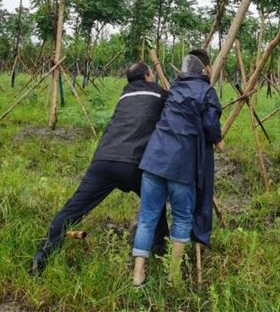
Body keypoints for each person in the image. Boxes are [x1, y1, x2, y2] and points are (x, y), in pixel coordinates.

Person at [30, 62, 170, 275]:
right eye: (152, 73)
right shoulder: (159, 94)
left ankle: (43, 254)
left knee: (74, 209)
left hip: (103, 160)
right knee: (155, 203)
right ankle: (161, 250)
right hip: (135, 163)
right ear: (147, 76)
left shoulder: (124, 95)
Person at [131, 49, 224, 287]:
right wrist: (218, 139)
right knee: (182, 217)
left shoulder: (174, 89)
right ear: (206, 69)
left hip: (154, 159)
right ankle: (173, 275)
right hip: (182, 165)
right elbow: (211, 126)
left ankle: (138, 275)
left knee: (146, 218)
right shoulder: (207, 92)